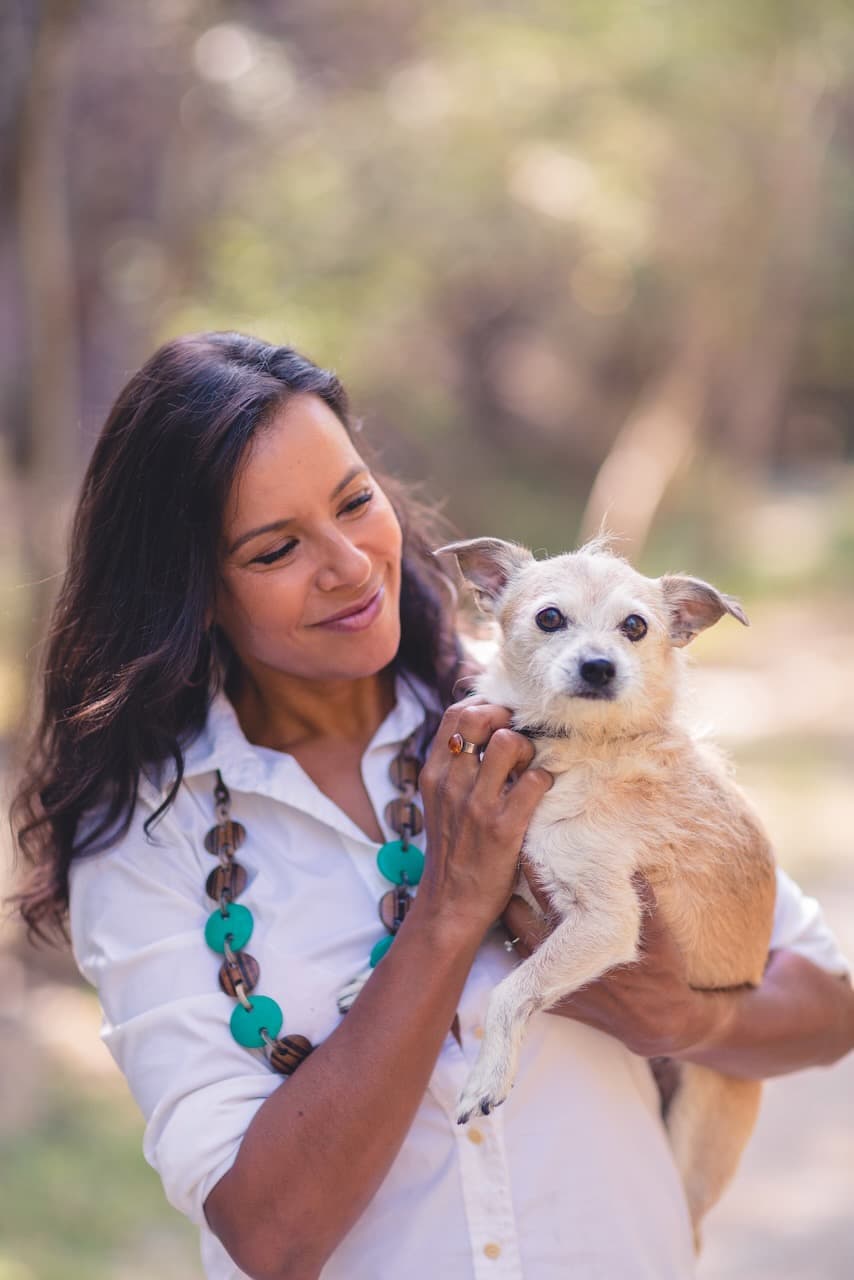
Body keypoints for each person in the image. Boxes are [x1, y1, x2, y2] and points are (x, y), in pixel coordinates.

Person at [9, 332, 853, 1280]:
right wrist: (449, 912)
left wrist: (692, 1023)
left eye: (355, 501)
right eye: (277, 547)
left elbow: (829, 1003)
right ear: (191, 591)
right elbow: (271, 1238)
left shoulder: (554, 711)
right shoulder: (146, 841)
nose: (350, 564)